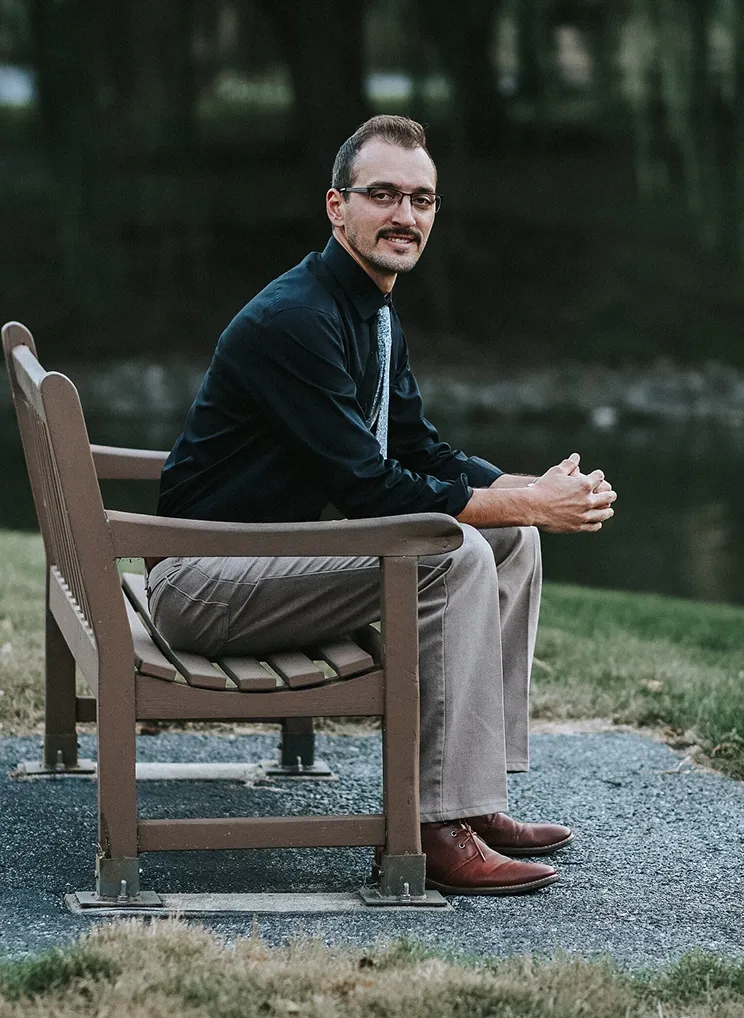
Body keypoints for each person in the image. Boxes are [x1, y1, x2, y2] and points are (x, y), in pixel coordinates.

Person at [148, 115, 617, 896]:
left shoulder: (372, 310)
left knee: (510, 540)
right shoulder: (296, 320)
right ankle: (434, 826)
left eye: (421, 199)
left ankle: (474, 797)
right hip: (204, 585)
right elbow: (371, 488)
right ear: (339, 206)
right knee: (454, 553)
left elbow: (419, 450)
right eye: (384, 195)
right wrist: (530, 502)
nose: (405, 215)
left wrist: (528, 491)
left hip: (270, 563)